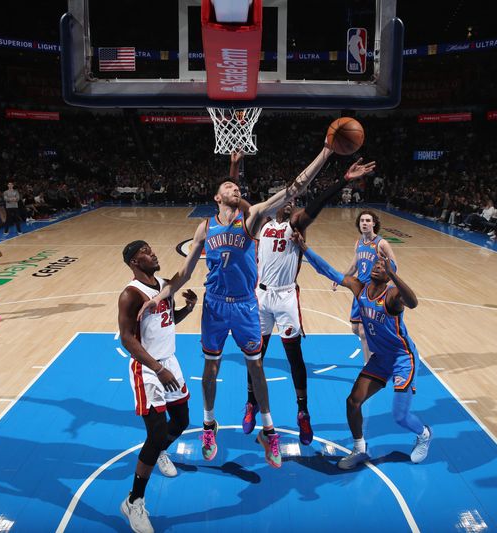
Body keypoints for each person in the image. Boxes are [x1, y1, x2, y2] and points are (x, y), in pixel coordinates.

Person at [139, 139, 336, 469]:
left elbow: (292, 190)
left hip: (246, 305)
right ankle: (208, 424)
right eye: (226, 186)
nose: (232, 187)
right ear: (217, 197)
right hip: (215, 306)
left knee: (255, 367)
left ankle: (269, 430)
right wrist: (161, 295)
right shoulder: (204, 227)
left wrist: (326, 153)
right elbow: (185, 272)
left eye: (235, 184)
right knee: (210, 368)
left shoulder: (254, 217)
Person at [234, 152, 377, 446]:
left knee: (294, 357)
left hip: (286, 298)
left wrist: (343, 181)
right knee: (255, 356)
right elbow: (234, 198)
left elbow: (317, 204)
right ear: (273, 205)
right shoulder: (260, 222)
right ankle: (251, 404)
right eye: (284, 200)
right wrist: (235, 166)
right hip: (261, 297)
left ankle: (303, 413)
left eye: (293, 202)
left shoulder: (295, 226)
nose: (289, 204)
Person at [292, 230, 432, 468]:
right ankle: (359, 449)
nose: (377, 266)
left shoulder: (392, 295)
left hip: (402, 358)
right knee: (353, 401)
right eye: (376, 264)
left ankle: (424, 434)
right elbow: (328, 271)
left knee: (399, 416)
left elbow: (414, 302)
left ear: (388, 275)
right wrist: (304, 248)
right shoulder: (359, 287)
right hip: (380, 359)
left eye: (382, 265)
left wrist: (394, 274)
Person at [118, 240, 197, 533]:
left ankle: (159, 451)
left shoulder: (163, 285)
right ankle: (133, 502)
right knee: (157, 431)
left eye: (152, 249)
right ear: (134, 262)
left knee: (182, 420)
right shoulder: (130, 294)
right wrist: (158, 368)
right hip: (147, 368)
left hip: (169, 362)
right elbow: (127, 339)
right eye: (145, 253)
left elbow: (167, 319)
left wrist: (188, 308)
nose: (153, 253)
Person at [337, 211, 396, 364]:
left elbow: (394, 266)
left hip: (373, 291)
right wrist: (339, 278)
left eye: (368, 220)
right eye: (362, 220)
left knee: (363, 332)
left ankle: (368, 366)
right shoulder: (359, 243)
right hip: (359, 290)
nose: (364, 223)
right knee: (356, 329)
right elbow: (353, 266)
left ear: (374, 223)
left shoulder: (381, 243)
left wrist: (389, 286)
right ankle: (378, 345)